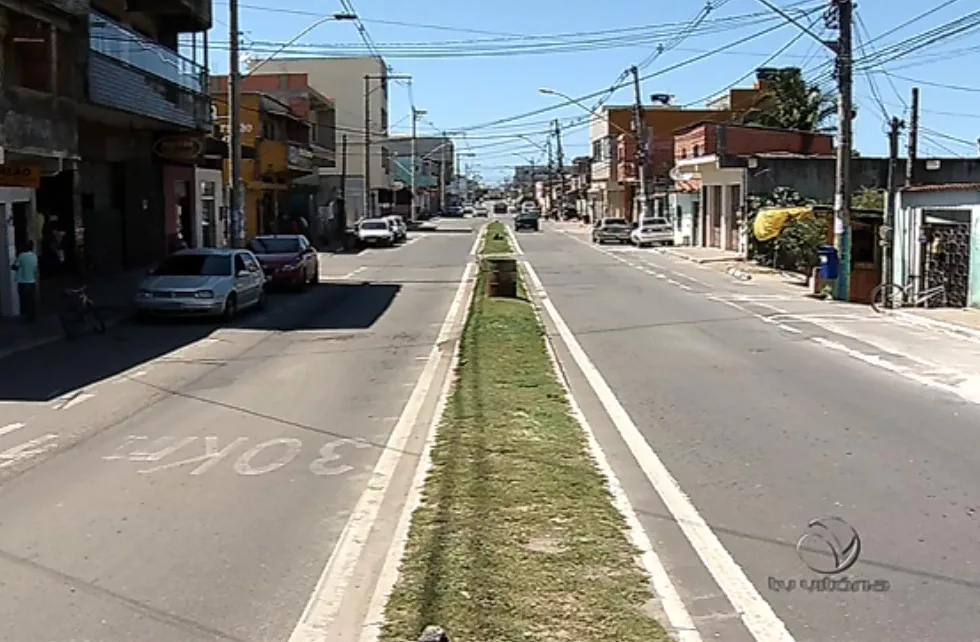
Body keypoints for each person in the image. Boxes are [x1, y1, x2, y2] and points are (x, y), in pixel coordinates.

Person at [10, 240, 39, 322]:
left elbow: (15, 267)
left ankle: (27, 316)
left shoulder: (22, 256)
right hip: (32, 281)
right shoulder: (34, 256)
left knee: (24, 300)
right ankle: (32, 316)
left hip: (23, 281)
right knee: (31, 300)